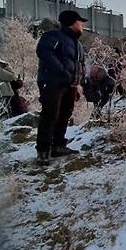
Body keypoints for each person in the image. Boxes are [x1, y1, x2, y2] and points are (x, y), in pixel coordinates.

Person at [35, 10, 87, 166]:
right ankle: (43, 150)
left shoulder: (78, 44)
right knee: (50, 114)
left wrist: (77, 84)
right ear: (72, 22)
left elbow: (79, 65)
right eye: (80, 21)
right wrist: (63, 72)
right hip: (52, 82)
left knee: (65, 114)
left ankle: (58, 145)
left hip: (70, 85)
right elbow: (44, 52)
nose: (82, 25)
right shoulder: (54, 36)